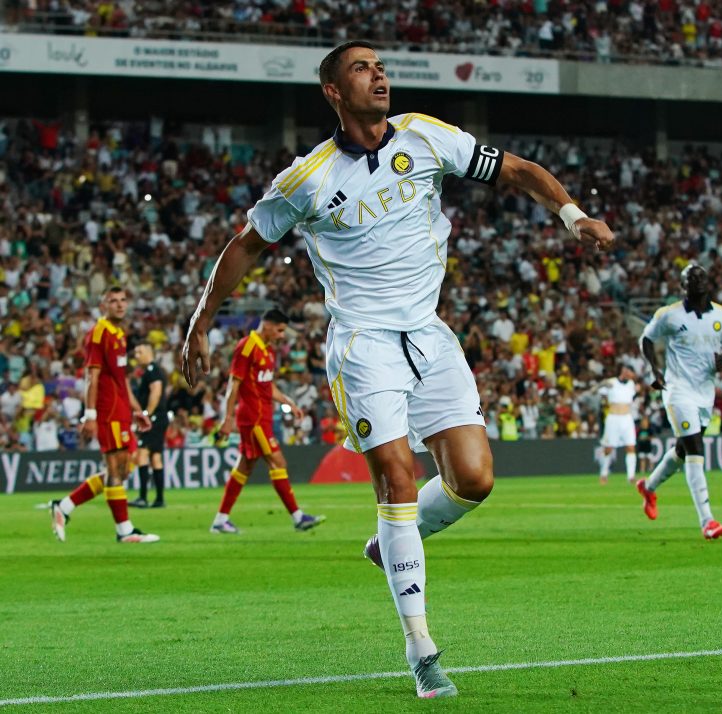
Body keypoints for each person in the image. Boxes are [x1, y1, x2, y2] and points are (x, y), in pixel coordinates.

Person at [180, 41, 613, 699]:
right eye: (362, 68)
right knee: (397, 475)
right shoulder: (307, 178)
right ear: (332, 90)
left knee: (473, 479)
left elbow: (517, 170)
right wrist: (202, 319)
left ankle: (392, 545)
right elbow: (245, 245)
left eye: (381, 67)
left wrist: (572, 215)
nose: (378, 75)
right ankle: (421, 648)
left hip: (430, 335)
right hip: (364, 344)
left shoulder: (426, 136)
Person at [49, 287, 159, 543]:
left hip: (121, 410)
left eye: (123, 300)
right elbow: (92, 375)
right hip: (107, 411)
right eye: (113, 301)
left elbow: (122, 380)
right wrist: (90, 415)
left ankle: (64, 507)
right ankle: (125, 531)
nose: (120, 305)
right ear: (103, 306)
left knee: (123, 469)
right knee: (115, 470)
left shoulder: (119, 334)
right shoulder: (98, 333)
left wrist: (137, 411)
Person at [636, 264, 722, 540]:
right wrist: (654, 370)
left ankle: (649, 487)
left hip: (705, 391)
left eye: (701, 277)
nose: (697, 282)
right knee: (695, 449)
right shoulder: (669, 315)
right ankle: (708, 521)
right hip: (677, 390)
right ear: (683, 287)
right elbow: (646, 339)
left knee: (682, 450)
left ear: (709, 282)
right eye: (690, 279)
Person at [209, 309, 325, 534]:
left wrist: (287, 401)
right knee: (278, 462)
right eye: (280, 330)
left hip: (263, 416)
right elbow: (234, 383)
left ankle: (220, 520)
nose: (282, 335)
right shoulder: (247, 346)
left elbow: (267, 384)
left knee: (245, 466)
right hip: (253, 418)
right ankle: (298, 517)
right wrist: (228, 417)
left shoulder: (268, 350)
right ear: (269, 325)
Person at [130, 343, 168, 508]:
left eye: (140, 351)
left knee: (142, 454)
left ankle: (143, 497)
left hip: (154, 418)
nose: (136, 355)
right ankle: (159, 499)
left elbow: (156, 391)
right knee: (156, 457)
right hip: (159, 418)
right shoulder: (152, 370)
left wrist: (147, 414)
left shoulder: (152, 371)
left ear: (149, 353)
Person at [596, 365, 638, 483]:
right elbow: (599, 391)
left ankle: (631, 476)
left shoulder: (631, 384)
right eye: (630, 371)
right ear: (624, 371)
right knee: (608, 448)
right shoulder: (612, 382)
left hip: (627, 417)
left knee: (630, 446)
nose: (631, 374)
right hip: (613, 417)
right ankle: (604, 474)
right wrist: (602, 385)